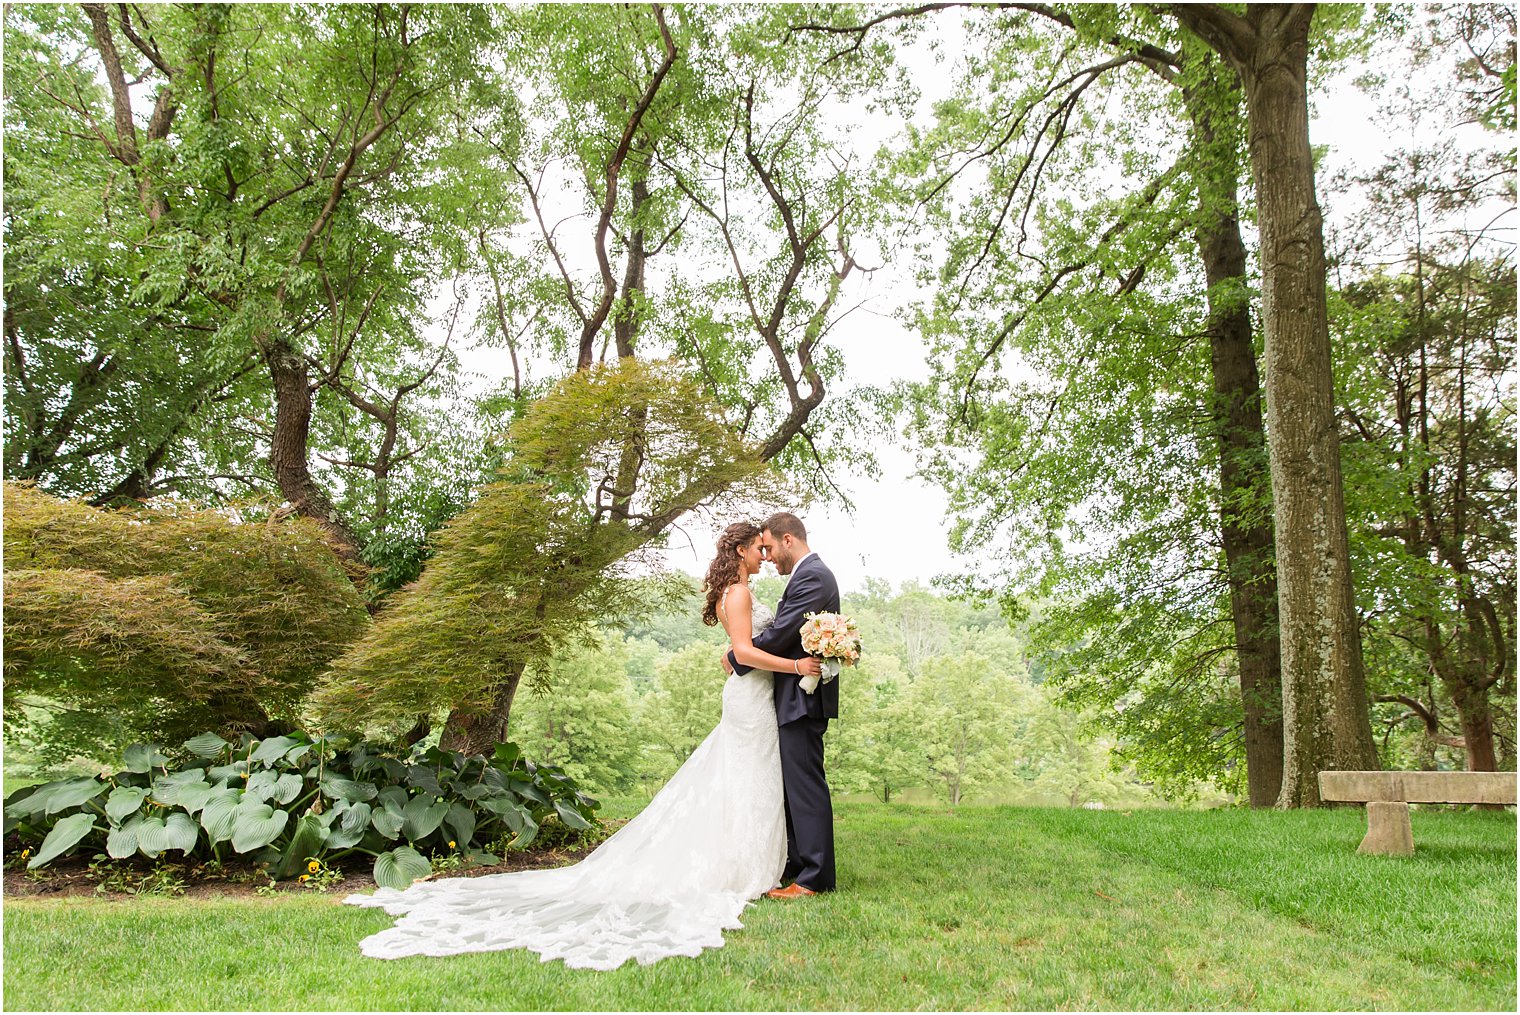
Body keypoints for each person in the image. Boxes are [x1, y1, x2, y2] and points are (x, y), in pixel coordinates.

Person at [344, 520, 822, 970]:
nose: (765, 556)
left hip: (754, 696)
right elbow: (742, 652)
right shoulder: (737, 591)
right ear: (740, 550)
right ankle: (739, 868)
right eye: (758, 549)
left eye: (768, 548)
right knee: (742, 776)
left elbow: (741, 649)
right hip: (751, 698)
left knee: (744, 778)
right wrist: (798, 668)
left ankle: (755, 863)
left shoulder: (735, 591)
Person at [724, 511, 841, 897]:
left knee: (805, 785)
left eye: (771, 547)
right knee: (791, 785)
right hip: (788, 697)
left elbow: (780, 632)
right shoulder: (806, 576)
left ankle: (814, 877)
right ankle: (795, 863)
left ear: (788, 540)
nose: (769, 556)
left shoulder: (813, 576)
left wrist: (737, 656)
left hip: (802, 699)